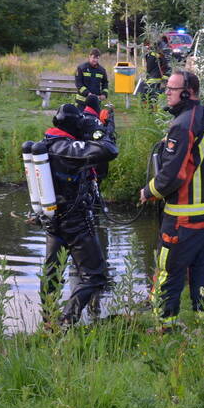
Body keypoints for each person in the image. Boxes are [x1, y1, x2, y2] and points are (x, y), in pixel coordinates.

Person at [139, 70, 204, 329]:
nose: (166, 92)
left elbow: (173, 175)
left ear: (188, 93)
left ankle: (164, 327)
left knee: (169, 272)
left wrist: (148, 192)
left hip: (183, 218)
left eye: (172, 89)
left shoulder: (183, 125)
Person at [38, 103, 118, 325]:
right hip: (74, 221)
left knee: (52, 273)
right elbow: (109, 150)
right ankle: (66, 320)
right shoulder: (64, 147)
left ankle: (49, 322)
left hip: (54, 220)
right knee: (95, 275)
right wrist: (100, 132)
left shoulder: (49, 142)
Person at [142, 39, 170, 108]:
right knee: (154, 97)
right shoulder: (159, 57)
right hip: (156, 80)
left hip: (151, 79)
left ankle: (150, 110)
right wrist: (165, 78)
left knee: (149, 97)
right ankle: (152, 109)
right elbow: (166, 68)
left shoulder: (149, 55)